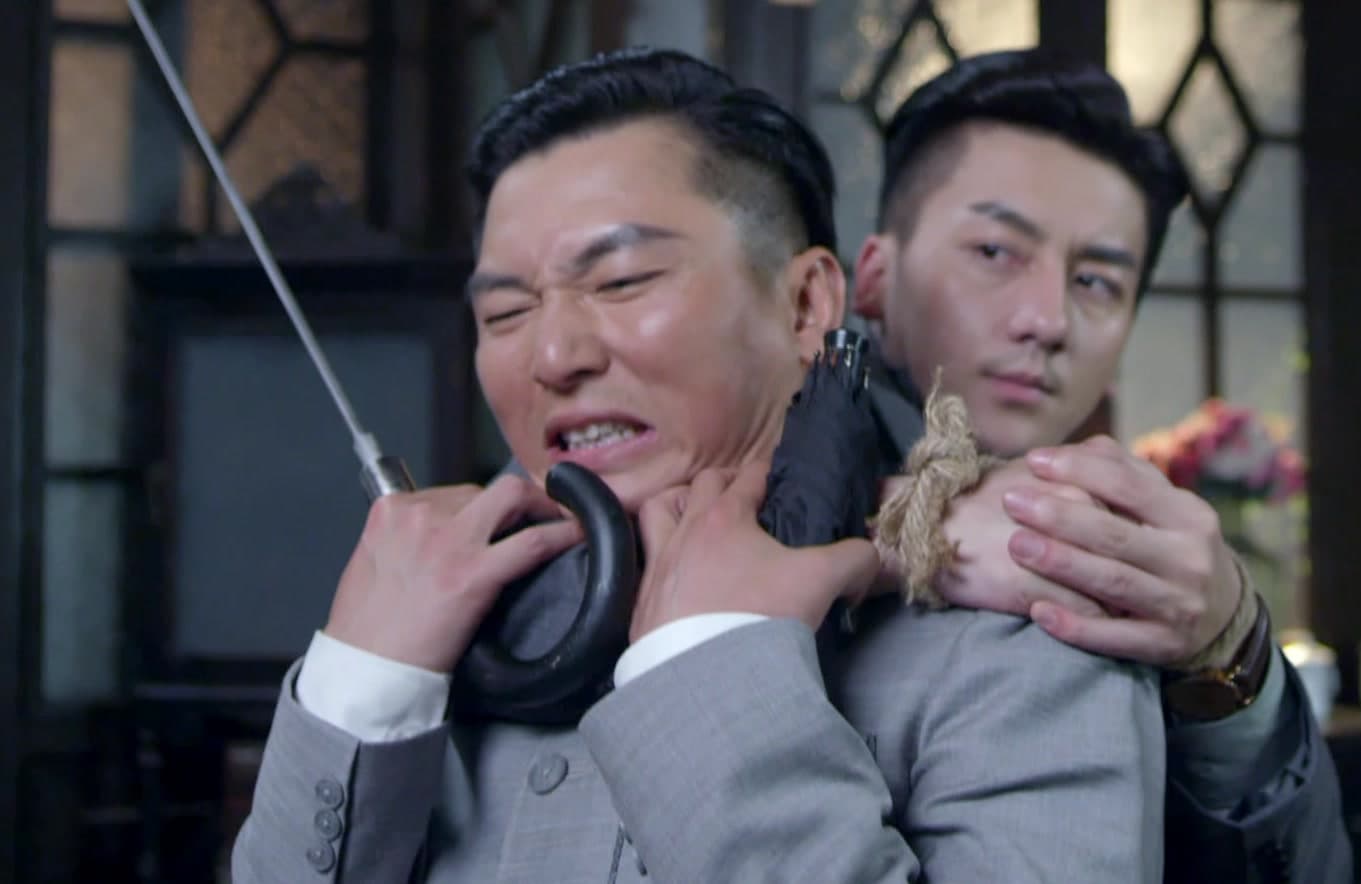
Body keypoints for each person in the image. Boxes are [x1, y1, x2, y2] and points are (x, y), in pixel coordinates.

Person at [231, 47, 1163, 883]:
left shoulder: (1023, 636)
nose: (552, 356)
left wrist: (706, 665)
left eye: (623, 281)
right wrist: (359, 692)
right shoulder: (444, 621)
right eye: (506, 313)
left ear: (807, 306)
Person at [847, 50, 1353, 883]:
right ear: (872, 278)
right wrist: (890, 514)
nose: (1048, 319)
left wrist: (1235, 652)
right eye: (995, 251)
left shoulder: (1105, 541)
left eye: (1094, 281)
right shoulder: (741, 462)